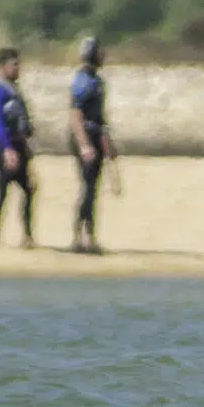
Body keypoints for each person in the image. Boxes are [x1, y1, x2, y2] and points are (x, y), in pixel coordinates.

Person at [0, 46, 35, 247]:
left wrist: (26, 144)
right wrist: (7, 149)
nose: (18, 68)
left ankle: (28, 236)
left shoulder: (15, 90)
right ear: (2, 67)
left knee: (29, 189)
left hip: (19, 145)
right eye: (14, 64)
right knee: (2, 190)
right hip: (3, 145)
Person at [68, 35, 118, 254]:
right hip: (85, 137)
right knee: (87, 188)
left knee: (93, 189)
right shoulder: (82, 81)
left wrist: (107, 142)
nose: (103, 55)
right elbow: (75, 114)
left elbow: (101, 117)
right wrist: (84, 145)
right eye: (99, 51)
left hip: (96, 135)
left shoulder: (97, 81)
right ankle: (79, 236)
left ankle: (90, 236)